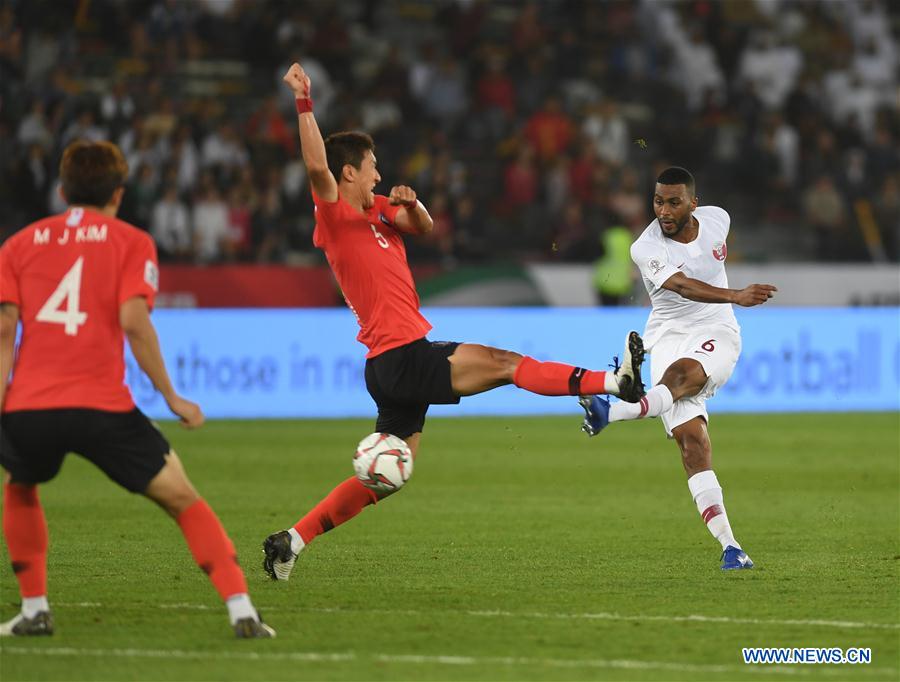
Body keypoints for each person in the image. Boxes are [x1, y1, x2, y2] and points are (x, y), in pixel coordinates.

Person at [262, 63, 646, 581]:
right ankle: (613, 383)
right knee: (505, 363)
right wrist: (304, 100)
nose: (378, 175)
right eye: (371, 167)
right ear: (348, 173)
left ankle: (291, 541)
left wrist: (413, 202)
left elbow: (423, 226)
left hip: (392, 364)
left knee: (388, 479)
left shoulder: (379, 210)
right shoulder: (333, 215)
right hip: (401, 356)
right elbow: (315, 167)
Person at [0, 141, 274, 638]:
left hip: (31, 406)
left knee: (20, 485)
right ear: (118, 194)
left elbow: (4, 331)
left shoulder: (18, 245)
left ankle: (35, 608)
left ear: (62, 191)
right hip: (101, 406)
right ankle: (241, 610)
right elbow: (134, 322)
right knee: (182, 498)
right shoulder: (132, 241)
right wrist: (171, 397)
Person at [579, 167, 777, 570]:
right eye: (658, 201)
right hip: (668, 334)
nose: (664, 211)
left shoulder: (718, 220)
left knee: (682, 376)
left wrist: (729, 301)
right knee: (692, 443)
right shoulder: (646, 247)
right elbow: (683, 286)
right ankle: (731, 548)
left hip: (716, 330)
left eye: (673, 202)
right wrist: (736, 294)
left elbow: (707, 260)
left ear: (693, 204)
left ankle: (611, 411)